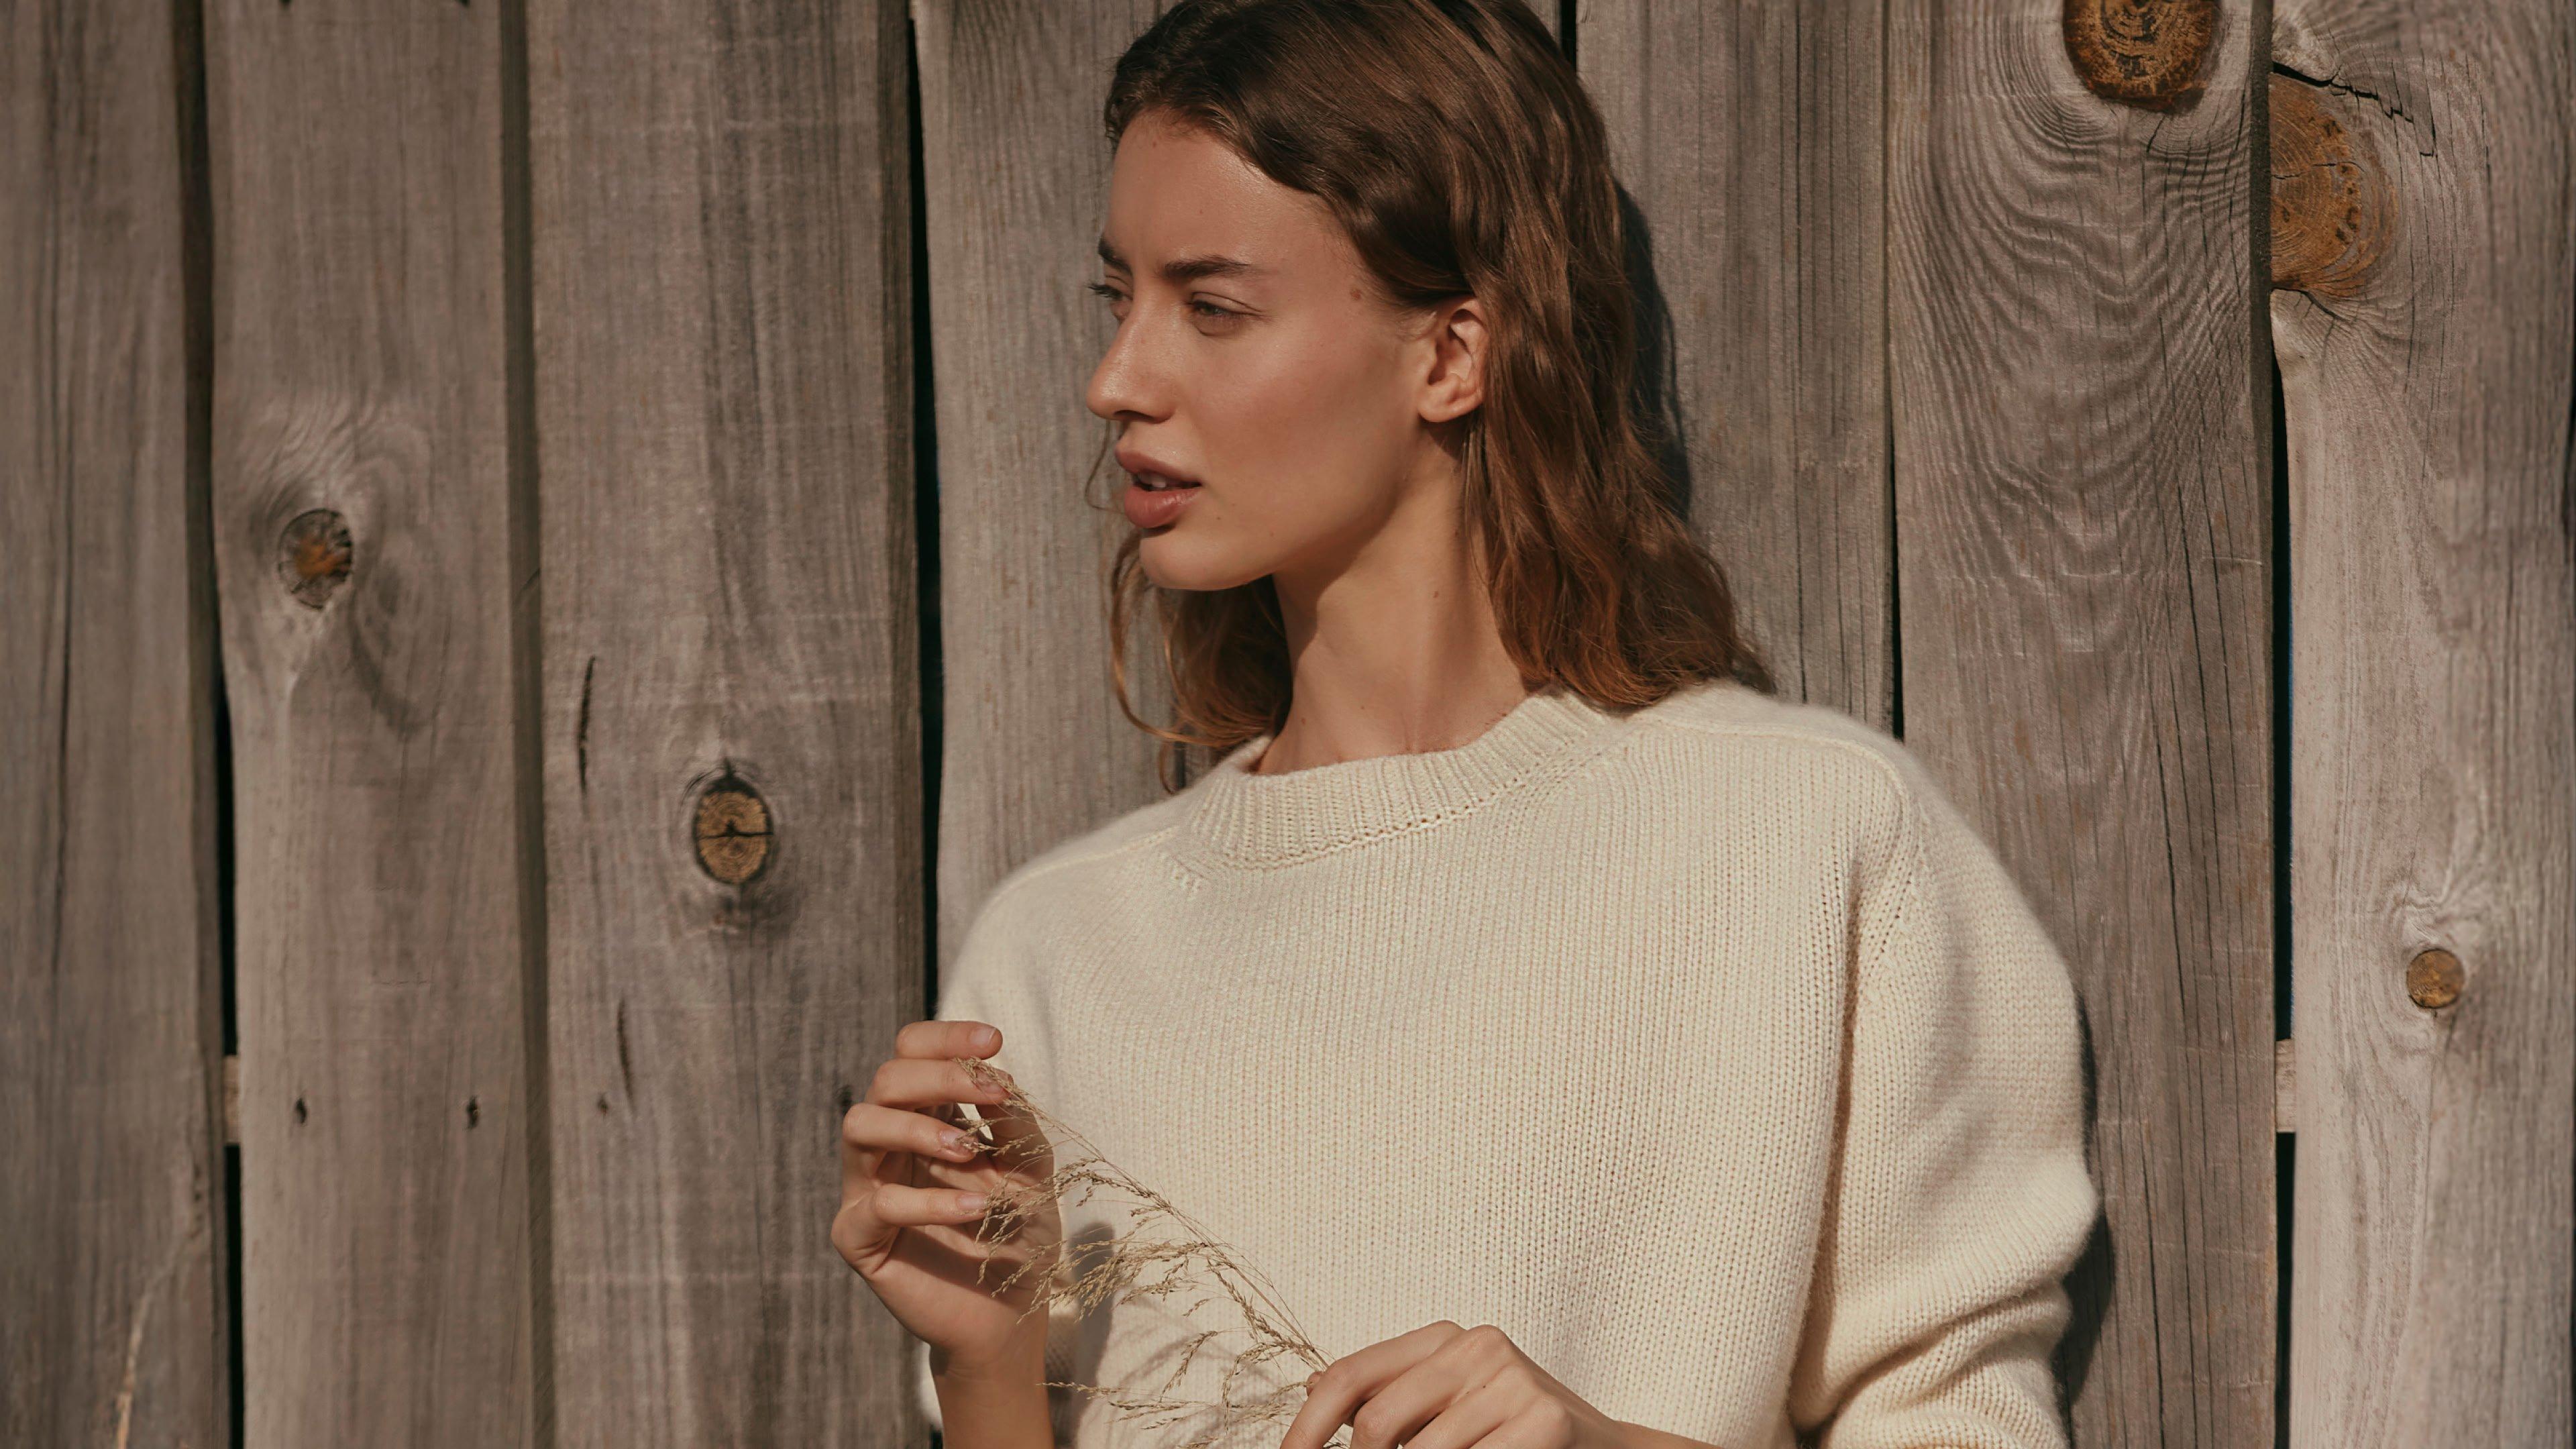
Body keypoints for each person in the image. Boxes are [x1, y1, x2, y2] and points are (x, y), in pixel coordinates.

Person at [830, 3, 2098, 1448]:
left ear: (1454, 354)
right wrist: (995, 1370)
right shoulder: (1052, 959)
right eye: (1116, 297)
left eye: (1212, 305)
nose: (1117, 378)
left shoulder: (1806, 847)